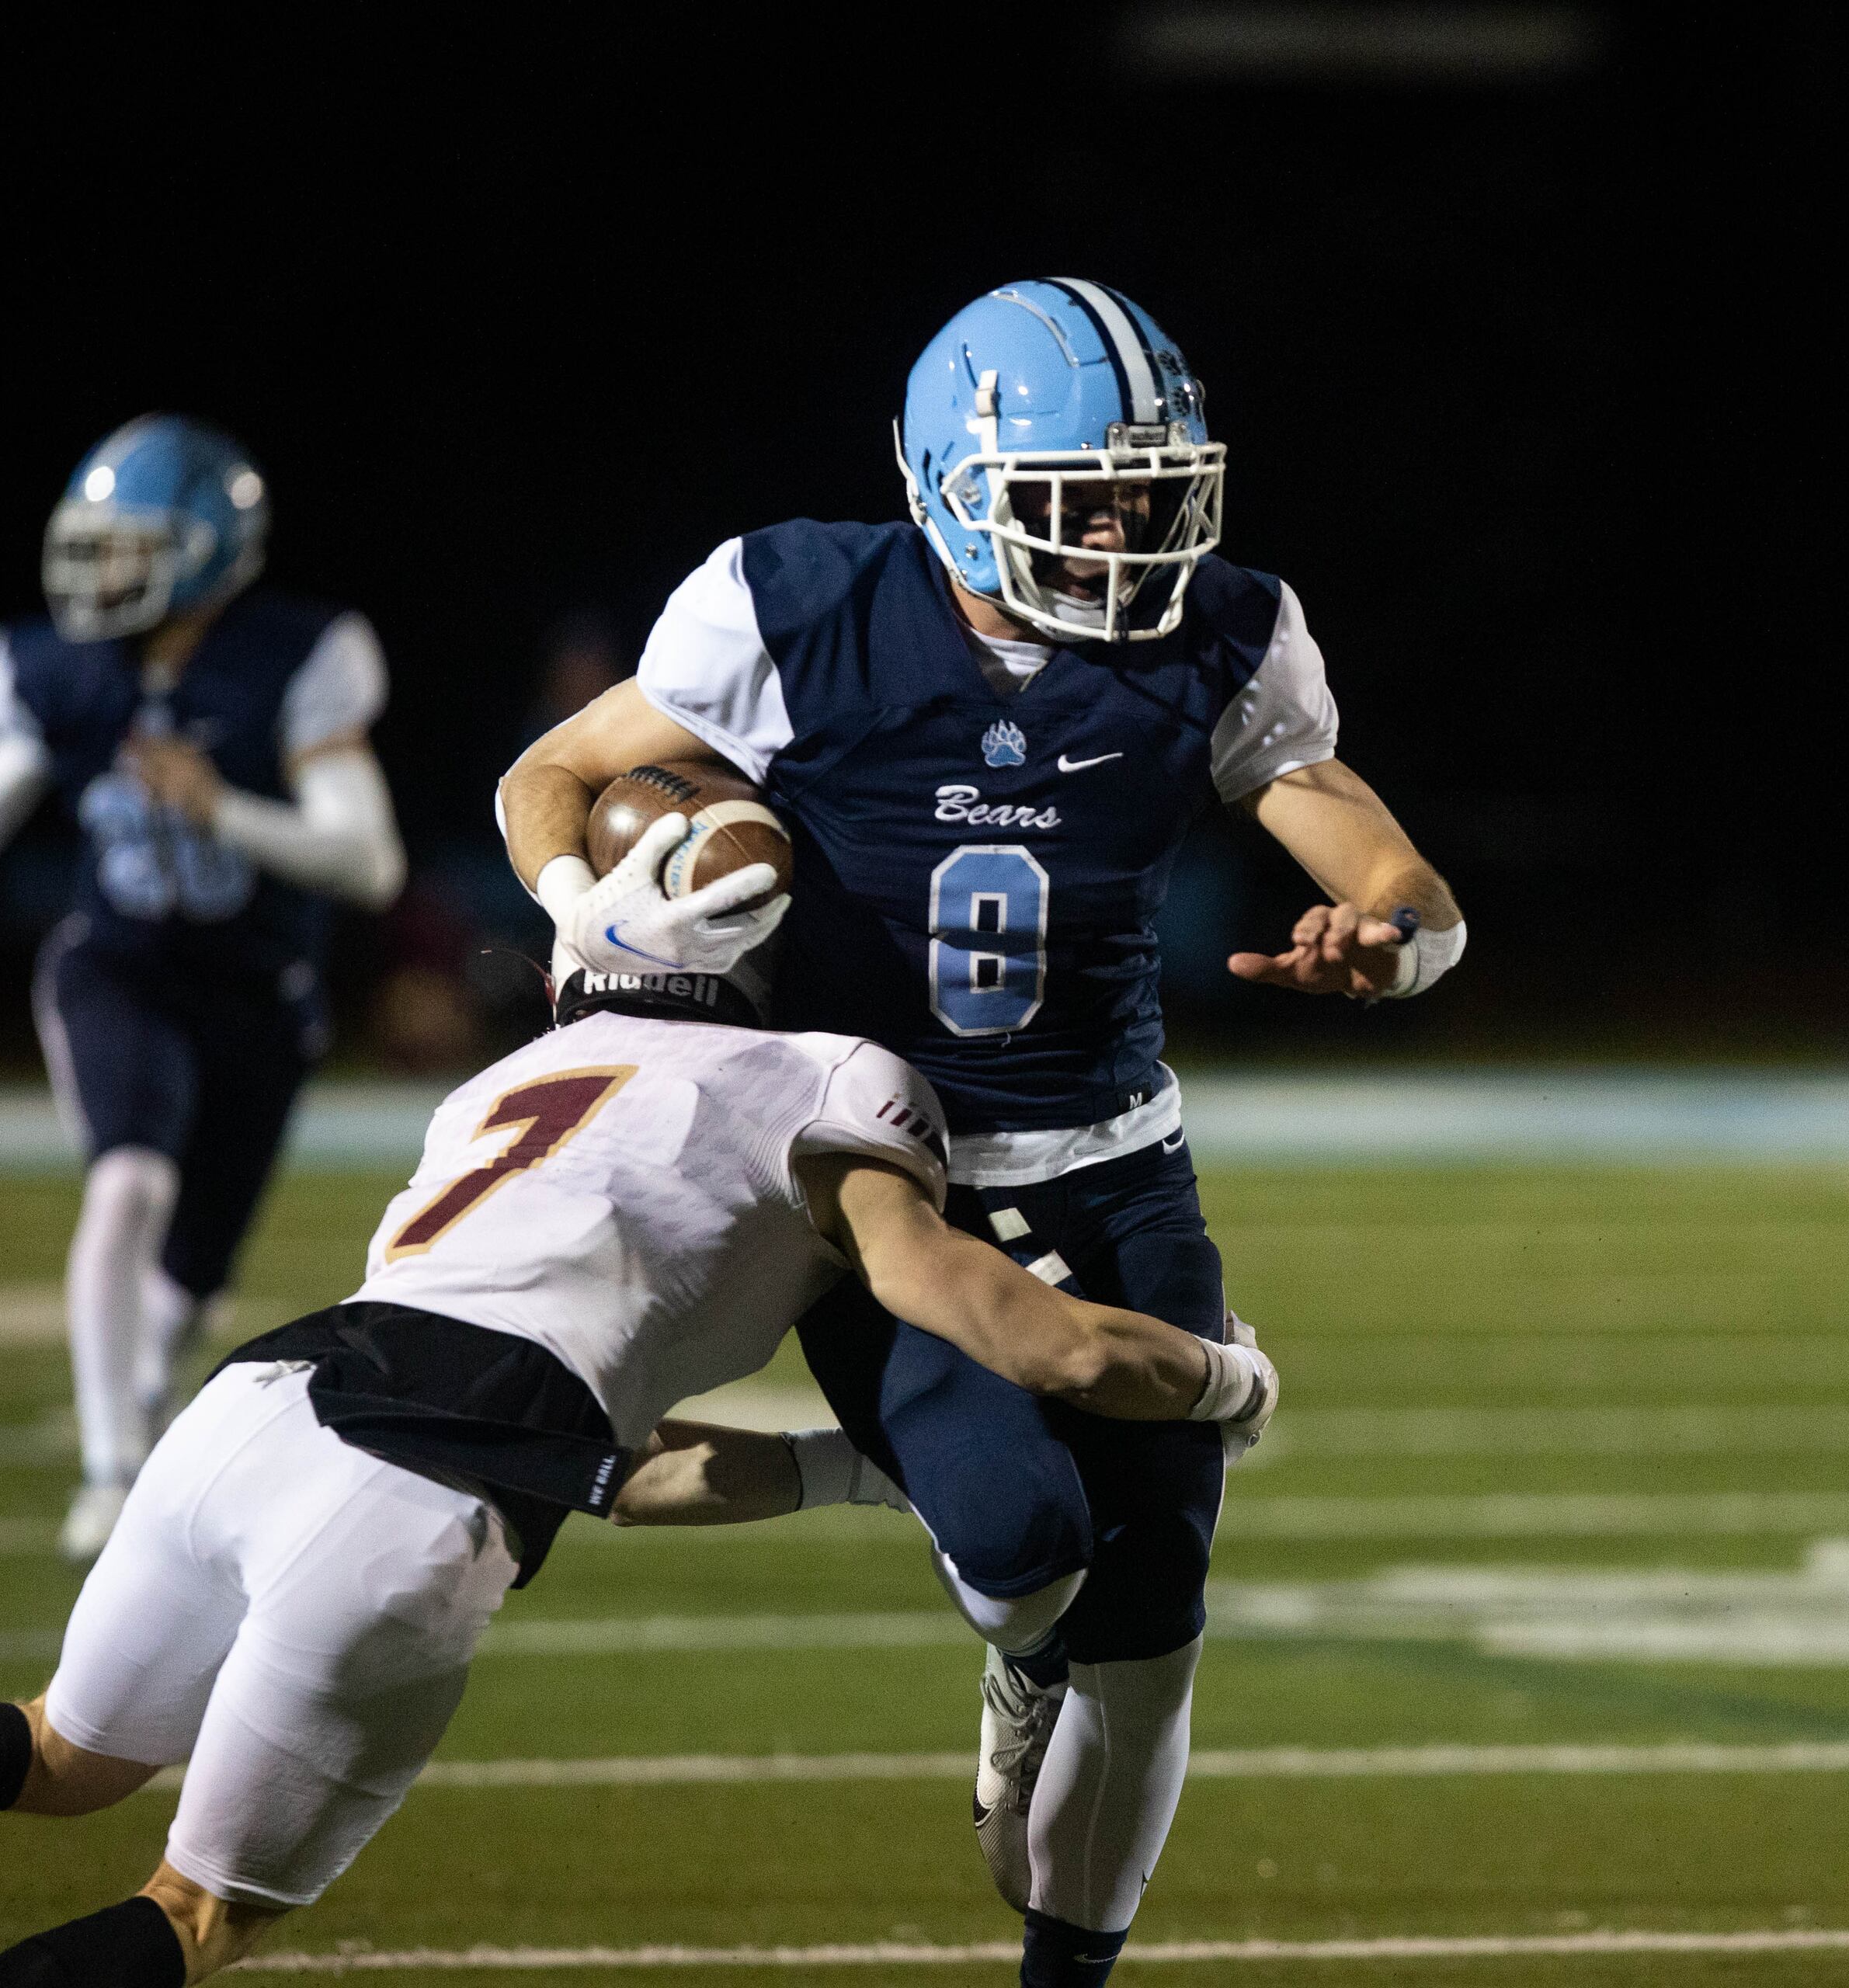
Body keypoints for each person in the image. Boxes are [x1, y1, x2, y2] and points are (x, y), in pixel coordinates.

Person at [497, 276, 1463, 1988]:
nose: (1128, 537)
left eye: (1152, 498)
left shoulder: (1224, 632)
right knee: (1025, 1553)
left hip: (1113, 1161)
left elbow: (1377, 853)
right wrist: (597, 920)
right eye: (1083, 500)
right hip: (880, 1166)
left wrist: (1392, 928)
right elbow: (552, 772)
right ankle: (1005, 1638)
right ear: (953, 484)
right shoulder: (794, 604)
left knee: (1155, 1604)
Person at [0, 882, 1277, 1988]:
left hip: (253, 1408)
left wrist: (861, 1474)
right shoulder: (827, 1075)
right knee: (197, 1915)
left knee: (56, 1756)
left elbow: (602, 1460)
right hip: (406, 1505)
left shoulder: (508, 1081)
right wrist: (1223, 1377)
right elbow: (1048, 1344)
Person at [0, 417, 408, 1559]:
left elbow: (368, 862)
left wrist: (221, 805)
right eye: (97, 542)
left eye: (133, 544)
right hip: (117, 966)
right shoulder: (60, 668)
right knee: (126, 1187)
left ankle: (141, 1402)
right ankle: (114, 1472)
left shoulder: (296, 655)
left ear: (211, 548)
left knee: (193, 1287)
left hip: (258, 990)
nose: (101, 568)